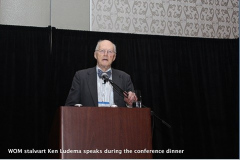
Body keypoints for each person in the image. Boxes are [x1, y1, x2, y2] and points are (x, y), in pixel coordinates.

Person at [65, 39, 137, 107]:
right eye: (102, 51)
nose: (105, 54)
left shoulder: (125, 78)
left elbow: (135, 107)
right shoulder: (81, 77)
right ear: (95, 55)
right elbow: (70, 106)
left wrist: (129, 103)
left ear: (114, 57)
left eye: (109, 51)